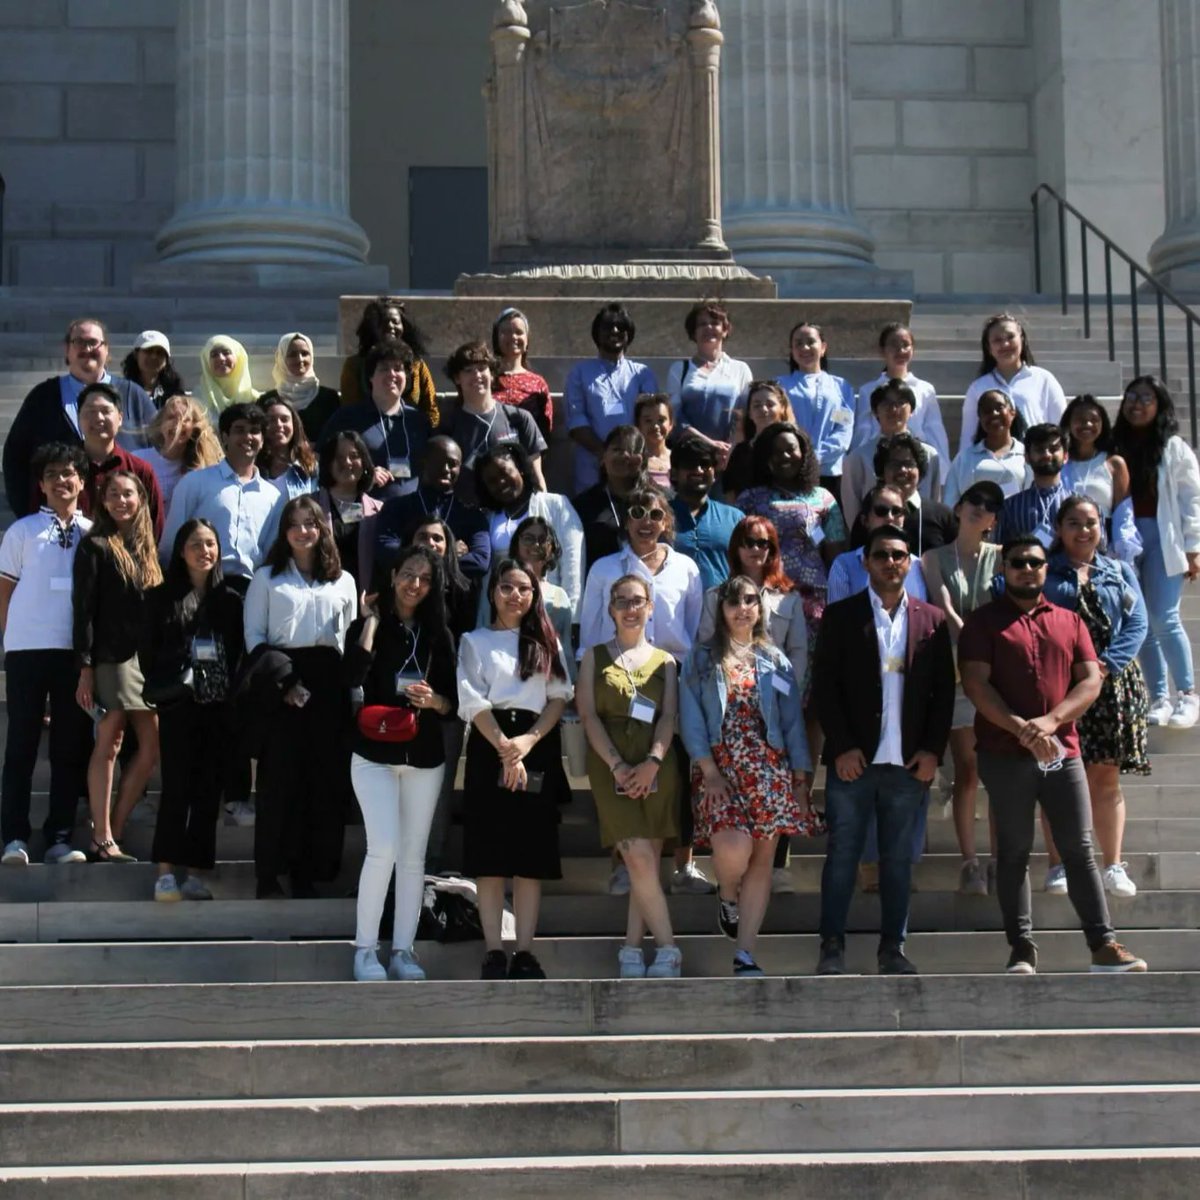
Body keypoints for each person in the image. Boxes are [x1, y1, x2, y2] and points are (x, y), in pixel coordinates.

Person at [959, 533, 1147, 974]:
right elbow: (975, 684)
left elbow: (1090, 681)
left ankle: (1103, 945)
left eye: (1036, 562)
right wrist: (1022, 728)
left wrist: (1049, 722)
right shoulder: (983, 622)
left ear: (1047, 568)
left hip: (1063, 753)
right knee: (1015, 851)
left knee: (1080, 849)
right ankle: (1021, 948)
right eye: (1018, 562)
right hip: (1004, 754)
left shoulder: (1070, 620)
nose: (1027, 569)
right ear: (1003, 569)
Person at [813, 525, 955, 976]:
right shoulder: (840, 616)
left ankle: (892, 948)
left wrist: (933, 750)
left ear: (909, 563)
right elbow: (824, 690)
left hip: (907, 763)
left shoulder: (931, 621)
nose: (890, 562)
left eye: (898, 555)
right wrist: (841, 747)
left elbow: (941, 694)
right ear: (866, 562)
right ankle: (831, 946)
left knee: (897, 861)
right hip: (853, 762)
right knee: (842, 857)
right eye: (881, 555)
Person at [680, 575, 811, 977]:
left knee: (763, 859)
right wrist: (709, 771)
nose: (743, 608)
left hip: (769, 771)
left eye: (751, 601)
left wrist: (800, 778)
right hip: (719, 769)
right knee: (733, 849)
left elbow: (792, 724)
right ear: (721, 609)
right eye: (734, 602)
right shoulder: (701, 659)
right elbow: (692, 720)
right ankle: (727, 893)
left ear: (760, 608)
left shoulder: (777, 660)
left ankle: (745, 953)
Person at [457, 559, 573, 980]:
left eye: (524, 589)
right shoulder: (474, 640)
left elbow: (559, 696)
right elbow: (471, 700)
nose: (515, 596)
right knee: (489, 857)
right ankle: (494, 949)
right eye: (507, 587)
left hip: (535, 742)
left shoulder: (546, 641)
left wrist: (525, 744)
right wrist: (506, 748)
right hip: (491, 743)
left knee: (529, 856)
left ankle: (524, 950)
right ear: (493, 592)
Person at [346, 546, 458, 982]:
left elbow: (454, 705)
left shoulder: (439, 634)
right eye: (408, 574)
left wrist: (436, 701)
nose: (415, 584)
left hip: (424, 754)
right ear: (393, 576)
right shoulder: (367, 626)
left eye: (425, 579)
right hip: (373, 754)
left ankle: (404, 951)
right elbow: (351, 676)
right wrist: (371, 620)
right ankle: (365, 950)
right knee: (384, 849)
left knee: (413, 858)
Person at [243, 495, 358, 898]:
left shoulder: (343, 580)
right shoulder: (267, 578)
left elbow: (349, 638)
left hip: (329, 687)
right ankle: (269, 873)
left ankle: (311, 872)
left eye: (310, 523)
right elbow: (255, 638)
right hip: (281, 680)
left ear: (322, 528)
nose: (303, 531)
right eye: (295, 524)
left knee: (323, 783)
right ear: (284, 530)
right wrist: (285, 684)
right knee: (280, 783)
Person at [696, 515, 812, 895]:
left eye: (763, 543)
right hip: (728, 709)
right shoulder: (715, 596)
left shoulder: (788, 598)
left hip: (776, 708)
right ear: (736, 548)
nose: (755, 549)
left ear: (773, 550)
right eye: (748, 541)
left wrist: (784, 698)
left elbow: (797, 652)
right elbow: (704, 650)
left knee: (778, 791)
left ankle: (777, 864)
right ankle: (731, 883)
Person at [1043, 495, 1149, 899]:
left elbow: (1137, 621)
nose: (1083, 530)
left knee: (1105, 778)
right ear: (1058, 528)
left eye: (1090, 522)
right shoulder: (1046, 571)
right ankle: (1058, 865)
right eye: (1073, 522)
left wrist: (1102, 667)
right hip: (1060, 686)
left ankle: (1112, 864)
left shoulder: (1119, 570)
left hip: (1111, 685)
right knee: (1055, 777)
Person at [577, 574, 682, 978]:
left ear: (650, 606)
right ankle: (670, 949)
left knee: (647, 865)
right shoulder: (594, 656)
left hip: (657, 766)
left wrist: (653, 760)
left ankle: (632, 949)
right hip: (611, 765)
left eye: (637, 600)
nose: (630, 607)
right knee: (636, 857)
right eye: (621, 601)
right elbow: (587, 714)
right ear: (610, 609)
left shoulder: (666, 661)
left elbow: (669, 715)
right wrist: (620, 767)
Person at [0, 444, 95, 866]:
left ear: (82, 481)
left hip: (73, 656)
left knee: (68, 748)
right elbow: (4, 595)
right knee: (20, 746)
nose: (62, 481)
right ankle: (13, 838)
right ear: (40, 484)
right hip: (25, 652)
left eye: (69, 473)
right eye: (53, 474)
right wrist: (11, 642)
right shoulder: (20, 532)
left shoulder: (95, 533)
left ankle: (59, 838)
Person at [140, 519, 244, 902]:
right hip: (178, 704)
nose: (205, 552)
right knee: (177, 787)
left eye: (211, 545)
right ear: (181, 551)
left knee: (207, 790)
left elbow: (237, 652)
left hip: (216, 704)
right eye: (196, 545)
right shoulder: (160, 598)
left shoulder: (230, 600)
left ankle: (197, 872)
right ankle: (166, 871)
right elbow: (147, 652)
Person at [72, 471, 163, 864]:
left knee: (152, 746)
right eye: (113, 494)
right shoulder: (94, 545)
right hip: (111, 657)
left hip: (146, 660)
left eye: (128, 493)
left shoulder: (148, 547)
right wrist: (86, 665)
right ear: (103, 502)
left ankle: (115, 829)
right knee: (110, 741)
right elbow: (84, 610)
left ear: (141, 498)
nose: (121, 500)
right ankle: (102, 835)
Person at [920, 480, 1005, 895]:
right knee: (968, 769)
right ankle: (971, 862)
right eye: (974, 500)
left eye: (989, 506)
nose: (979, 508)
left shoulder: (1003, 558)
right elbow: (943, 604)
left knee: (995, 770)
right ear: (958, 507)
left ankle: (996, 860)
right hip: (956, 670)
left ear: (993, 520)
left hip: (997, 672)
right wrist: (968, 631)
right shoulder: (932, 557)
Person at [1112, 375, 1200, 728]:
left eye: (1145, 398)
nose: (1136, 403)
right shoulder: (1114, 443)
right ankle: (1159, 697)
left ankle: (1188, 695)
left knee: (1165, 617)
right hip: (1126, 539)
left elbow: (1191, 498)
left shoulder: (1174, 447)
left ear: (1160, 405)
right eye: (1131, 396)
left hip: (1164, 538)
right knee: (1143, 622)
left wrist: (1194, 547)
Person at [4, 317, 156, 516]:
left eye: (94, 342)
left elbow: (159, 452)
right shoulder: (43, 397)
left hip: (123, 521)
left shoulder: (133, 395)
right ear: (67, 350)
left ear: (107, 350)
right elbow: (15, 457)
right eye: (79, 342)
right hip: (58, 523)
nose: (87, 348)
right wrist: (27, 513)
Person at [736, 422, 847, 653]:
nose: (784, 456)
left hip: (813, 598)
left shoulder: (824, 498)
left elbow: (836, 556)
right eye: (775, 452)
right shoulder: (749, 499)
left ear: (804, 453)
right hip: (766, 596)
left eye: (790, 449)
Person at [159, 403, 284, 584]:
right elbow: (171, 542)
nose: (248, 437)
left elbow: (271, 552)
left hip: (249, 590)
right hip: (199, 585)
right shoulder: (195, 483)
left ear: (263, 440)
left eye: (255, 431)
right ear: (225, 437)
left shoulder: (273, 497)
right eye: (239, 430)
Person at [475, 444, 584, 619]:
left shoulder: (556, 505)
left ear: (521, 469)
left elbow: (573, 563)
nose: (500, 482)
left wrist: (572, 618)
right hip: (501, 615)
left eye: (504, 473)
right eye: (492, 481)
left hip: (547, 610)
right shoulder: (488, 518)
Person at [318, 339, 432, 502]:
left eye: (398, 369)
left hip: (412, 515)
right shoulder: (347, 417)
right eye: (384, 369)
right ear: (371, 377)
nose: (392, 374)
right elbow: (321, 462)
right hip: (364, 515)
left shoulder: (418, 420)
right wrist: (363, 476)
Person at [565, 302, 658, 494]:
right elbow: (576, 422)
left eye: (621, 327)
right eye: (608, 326)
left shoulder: (643, 374)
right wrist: (605, 455)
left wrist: (628, 456)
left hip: (634, 466)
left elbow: (651, 418)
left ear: (629, 333)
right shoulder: (579, 373)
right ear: (596, 333)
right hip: (592, 468)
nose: (614, 331)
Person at [438, 340, 548, 501]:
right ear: (457, 378)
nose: (477, 375)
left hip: (513, 515)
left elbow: (536, 476)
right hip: (468, 514)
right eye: (468, 370)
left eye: (482, 369)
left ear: (492, 374)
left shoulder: (520, 418)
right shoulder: (448, 425)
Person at [373, 435, 491, 582]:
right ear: (424, 462)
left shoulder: (472, 515)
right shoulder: (396, 507)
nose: (447, 469)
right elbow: (385, 551)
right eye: (440, 461)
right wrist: (449, 552)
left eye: (453, 464)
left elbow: (480, 562)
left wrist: (412, 553)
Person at [852, 322, 950, 480]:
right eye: (893, 345)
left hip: (916, 462)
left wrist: (943, 470)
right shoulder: (868, 390)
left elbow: (935, 431)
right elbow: (864, 430)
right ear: (882, 350)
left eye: (906, 345)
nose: (900, 351)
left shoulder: (925, 389)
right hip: (879, 462)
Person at [840, 379, 942, 530]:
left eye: (901, 403)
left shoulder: (930, 455)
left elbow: (934, 500)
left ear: (912, 410)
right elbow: (852, 511)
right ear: (875, 411)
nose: (894, 409)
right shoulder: (858, 458)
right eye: (886, 404)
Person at [958, 313, 1066, 455]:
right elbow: (968, 438)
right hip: (992, 465)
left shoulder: (1044, 379)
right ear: (989, 347)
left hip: (1037, 463)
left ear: (1022, 339)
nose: (1005, 344)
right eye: (997, 340)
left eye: (1010, 337)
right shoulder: (978, 387)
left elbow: (1062, 429)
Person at [666, 299, 753, 466]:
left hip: (728, 458)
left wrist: (729, 450)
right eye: (702, 324)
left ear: (725, 330)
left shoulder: (740, 369)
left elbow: (744, 416)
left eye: (715, 323)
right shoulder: (679, 369)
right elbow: (675, 417)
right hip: (689, 457)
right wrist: (709, 444)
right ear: (693, 332)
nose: (709, 328)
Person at [73, 383, 165, 538]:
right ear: (78, 418)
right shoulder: (64, 471)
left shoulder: (140, 470)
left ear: (120, 418)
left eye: (106, 411)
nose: (98, 418)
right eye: (90, 412)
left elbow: (155, 527)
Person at [775, 321, 856, 498]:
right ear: (791, 349)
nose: (804, 347)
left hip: (829, 472)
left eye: (811, 341)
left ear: (823, 347)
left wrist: (818, 455)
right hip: (790, 470)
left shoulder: (840, 387)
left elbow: (843, 429)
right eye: (798, 343)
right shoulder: (780, 386)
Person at [340, 298, 439, 427]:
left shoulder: (417, 365)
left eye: (395, 322)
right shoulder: (354, 365)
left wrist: (423, 434)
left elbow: (431, 409)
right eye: (383, 322)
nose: (390, 326)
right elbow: (349, 410)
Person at [827, 483, 929, 603]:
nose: (890, 518)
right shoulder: (844, 566)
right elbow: (837, 617)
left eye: (896, 511)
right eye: (881, 511)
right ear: (865, 520)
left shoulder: (919, 566)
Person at [669, 436, 744, 592]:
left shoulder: (734, 518)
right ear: (674, 473)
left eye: (705, 464)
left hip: (722, 612)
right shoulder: (659, 518)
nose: (698, 470)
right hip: (674, 613)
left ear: (715, 473)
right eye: (690, 464)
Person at [507, 515, 576, 681]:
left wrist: (570, 681)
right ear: (517, 544)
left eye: (543, 539)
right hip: (507, 674)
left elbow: (564, 646)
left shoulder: (560, 595)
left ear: (551, 547)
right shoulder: (502, 587)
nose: (536, 544)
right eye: (528, 538)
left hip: (548, 677)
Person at [314, 430, 383, 591]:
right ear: (328, 463)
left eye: (354, 456)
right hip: (321, 596)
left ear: (365, 462)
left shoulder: (379, 510)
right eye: (339, 457)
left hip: (364, 600)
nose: (347, 462)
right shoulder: (311, 505)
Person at [573, 424, 649, 570]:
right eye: (617, 450)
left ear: (643, 460)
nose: (625, 455)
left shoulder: (657, 501)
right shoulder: (583, 505)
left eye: (632, 451)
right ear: (603, 457)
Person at [134, 393, 222, 511]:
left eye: (185, 419)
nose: (178, 423)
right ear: (161, 424)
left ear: (194, 428)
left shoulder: (204, 467)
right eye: (171, 417)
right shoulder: (138, 460)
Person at [872, 432, 956, 555]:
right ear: (882, 472)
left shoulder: (942, 516)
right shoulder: (872, 514)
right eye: (895, 464)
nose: (902, 470)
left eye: (909, 464)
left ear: (920, 470)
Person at [944, 389, 1030, 507]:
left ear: (1012, 412)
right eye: (987, 411)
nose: (994, 413)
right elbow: (950, 503)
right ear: (980, 418)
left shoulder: (1026, 454)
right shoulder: (964, 458)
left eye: (999, 408)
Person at [258, 332, 341, 442]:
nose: (300, 359)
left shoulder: (329, 398)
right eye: (292, 355)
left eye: (305, 353)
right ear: (281, 358)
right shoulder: (267, 400)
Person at [996, 423, 1070, 546]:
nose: (1047, 454)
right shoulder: (1010, 507)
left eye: (1053, 449)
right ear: (1027, 457)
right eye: (1040, 449)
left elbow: (1099, 552)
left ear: (1066, 456)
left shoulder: (1083, 508)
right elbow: (999, 551)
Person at [1060, 393, 1131, 520]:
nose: (1087, 424)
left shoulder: (1114, 464)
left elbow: (1124, 515)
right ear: (1068, 423)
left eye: (1094, 420)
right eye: (1080, 419)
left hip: (1104, 537)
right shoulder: (1058, 463)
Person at [722, 380, 795, 501]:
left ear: (782, 408)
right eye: (757, 405)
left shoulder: (795, 446)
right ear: (750, 413)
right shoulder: (740, 451)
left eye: (770, 404)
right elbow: (730, 490)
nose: (764, 409)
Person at [492, 307, 553, 440]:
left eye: (519, 332)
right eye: (506, 332)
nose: (513, 337)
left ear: (527, 340)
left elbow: (545, 429)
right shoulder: (486, 378)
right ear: (496, 338)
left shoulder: (538, 383)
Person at [257, 395, 319, 500]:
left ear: (294, 424)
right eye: (271, 420)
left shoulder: (309, 466)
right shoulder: (253, 467)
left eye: (284, 419)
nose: (279, 425)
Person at [196, 334, 258, 424]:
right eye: (214, 355)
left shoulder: (253, 399)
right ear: (207, 362)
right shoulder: (197, 398)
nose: (221, 358)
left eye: (226, 352)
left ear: (237, 357)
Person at [121, 330, 186, 408]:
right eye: (149, 351)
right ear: (136, 354)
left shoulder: (175, 393)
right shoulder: (123, 391)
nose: (154, 357)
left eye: (159, 353)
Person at [635, 394, 673, 489]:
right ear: (638, 425)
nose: (656, 426)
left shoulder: (680, 460)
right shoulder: (634, 462)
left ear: (671, 424)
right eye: (648, 421)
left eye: (661, 420)